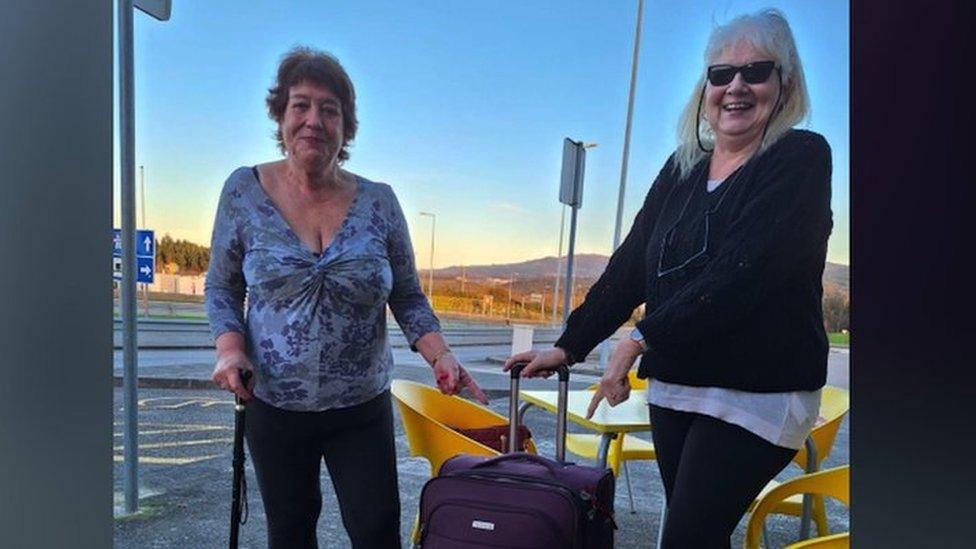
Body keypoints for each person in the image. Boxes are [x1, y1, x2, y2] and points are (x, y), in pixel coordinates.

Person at [505, 8, 832, 548]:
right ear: (705, 87)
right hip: (678, 384)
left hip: (757, 391)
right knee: (697, 537)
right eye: (721, 74)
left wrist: (639, 339)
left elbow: (745, 272)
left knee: (685, 539)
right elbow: (633, 265)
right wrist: (570, 344)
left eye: (756, 71)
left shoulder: (800, 157)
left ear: (785, 83)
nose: (736, 87)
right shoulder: (682, 167)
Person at [206, 46, 487, 549]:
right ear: (282, 116)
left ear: (346, 126)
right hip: (274, 404)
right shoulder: (243, 192)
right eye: (301, 105)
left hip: (360, 407)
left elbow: (406, 294)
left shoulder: (379, 201)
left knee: (377, 530)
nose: (314, 120)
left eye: (329, 109)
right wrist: (230, 349)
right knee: (290, 534)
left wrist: (440, 354)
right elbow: (223, 285)